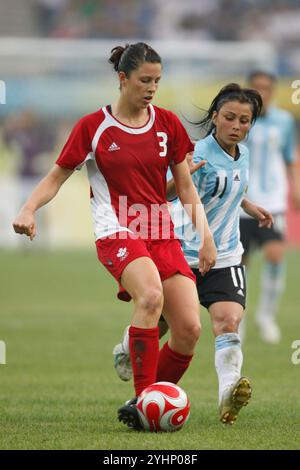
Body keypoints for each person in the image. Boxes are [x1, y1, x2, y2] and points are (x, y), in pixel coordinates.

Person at [12, 42, 217, 430]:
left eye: (157, 80)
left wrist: (204, 237)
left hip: (161, 231)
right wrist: (27, 209)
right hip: (117, 230)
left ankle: (149, 396)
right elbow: (57, 176)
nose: (153, 87)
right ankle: (144, 404)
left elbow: (185, 188)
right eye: (145, 80)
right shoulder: (93, 127)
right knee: (151, 296)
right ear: (122, 79)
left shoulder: (168, 124)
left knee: (189, 330)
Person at [113, 83, 274, 425]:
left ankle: (228, 391)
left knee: (227, 321)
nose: (237, 126)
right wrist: (202, 235)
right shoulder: (194, 152)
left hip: (226, 255)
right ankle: (130, 344)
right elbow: (169, 192)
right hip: (183, 253)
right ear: (215, 117)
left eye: (245, 121)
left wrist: (249, 205)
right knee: (161, 327)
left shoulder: (242, 154)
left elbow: (227, 187)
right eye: (230, 118)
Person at [239, 71, 300, 344]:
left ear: (273, 91)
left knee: (275, 255)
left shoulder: (284, 121)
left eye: (266, 88)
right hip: (241, 204)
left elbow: (288, 157)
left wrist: (295, 186)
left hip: (273, 203)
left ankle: (266, 316)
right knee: (240, 263)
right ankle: (236, 318)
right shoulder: (238, 118)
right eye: (257, 87)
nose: (261, 93)